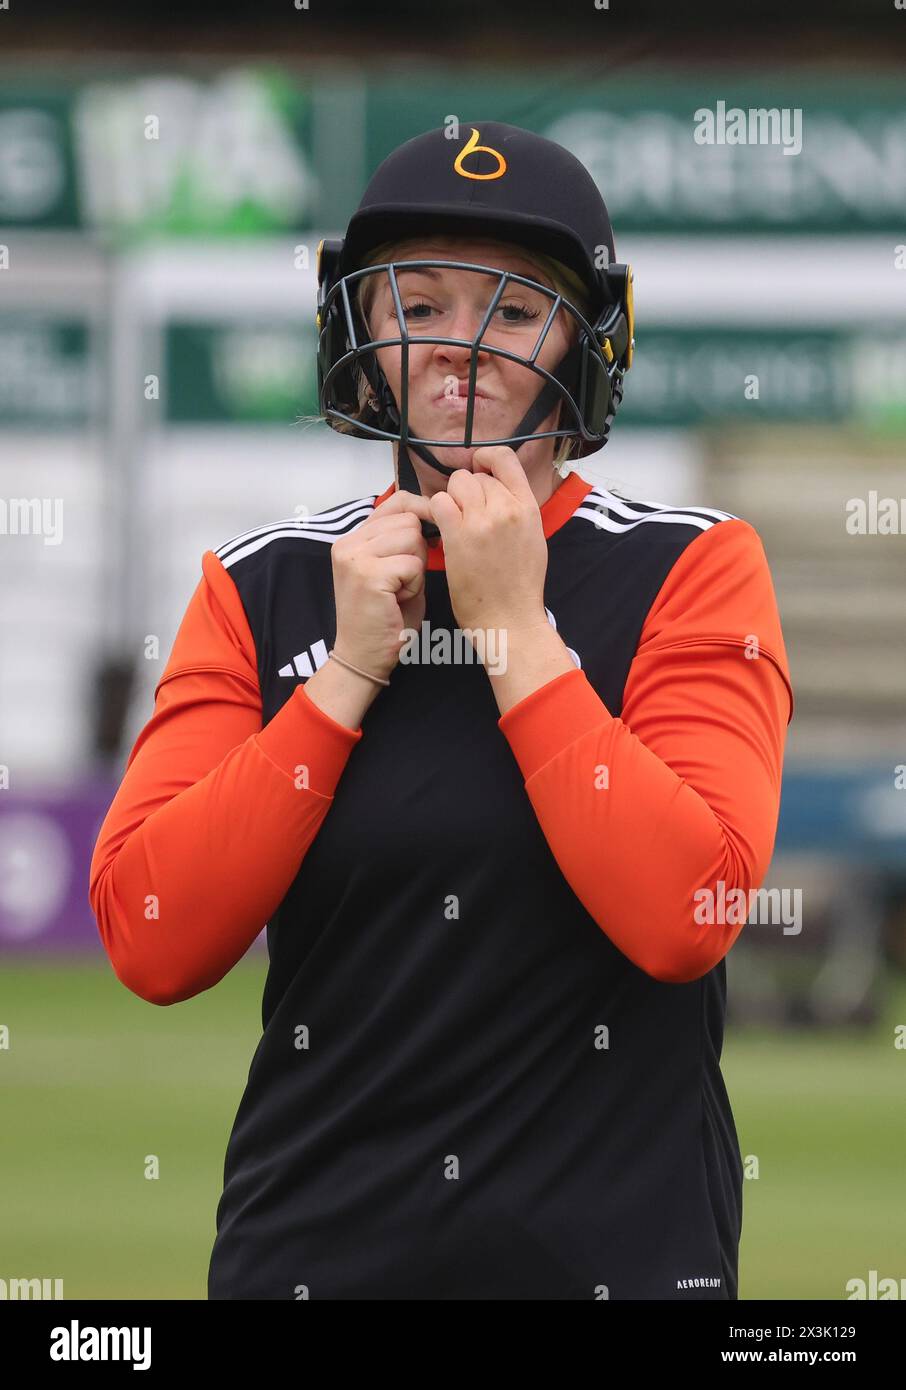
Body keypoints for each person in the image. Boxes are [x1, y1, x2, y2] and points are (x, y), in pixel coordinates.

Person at [89, 121, 794, 1300]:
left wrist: (516, 630)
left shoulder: (694, 567)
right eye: (415, 305)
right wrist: (343, 679)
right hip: (311, 1262)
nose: (457, 348)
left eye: (513, 312)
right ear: (359, 336)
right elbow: (152, 936)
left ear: (589, 339)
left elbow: (687, 914)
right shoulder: (260, 584)